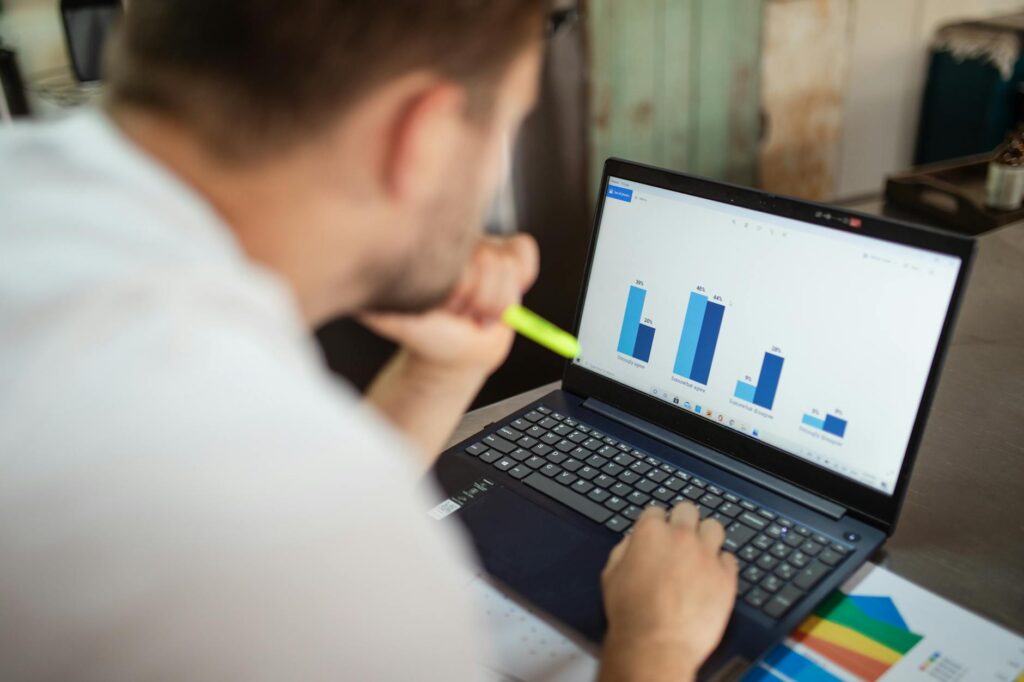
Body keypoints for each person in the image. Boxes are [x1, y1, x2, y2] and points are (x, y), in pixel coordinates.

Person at [0, 2, 737, 680]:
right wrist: (657, 645)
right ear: (421, 135)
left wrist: (435, 377)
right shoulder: (298, 531)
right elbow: (301, 542)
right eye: (505, 128)